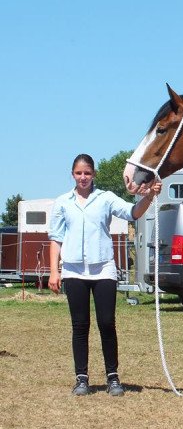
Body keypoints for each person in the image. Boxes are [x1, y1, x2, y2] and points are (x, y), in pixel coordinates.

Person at [48, 154, 162, 395]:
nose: (83, 177)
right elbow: (56, 239)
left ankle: (113, 377)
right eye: (79, 173)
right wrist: (53, 272)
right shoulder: (62, 203)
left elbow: (133, 212)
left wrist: (150, 195)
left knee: (107, 323)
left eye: (87, 173)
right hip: (74, 270)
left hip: (103, 270)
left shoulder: (106, 198)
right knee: (80, 326)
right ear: (72, 175)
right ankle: (81, 378)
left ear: (94, 174)